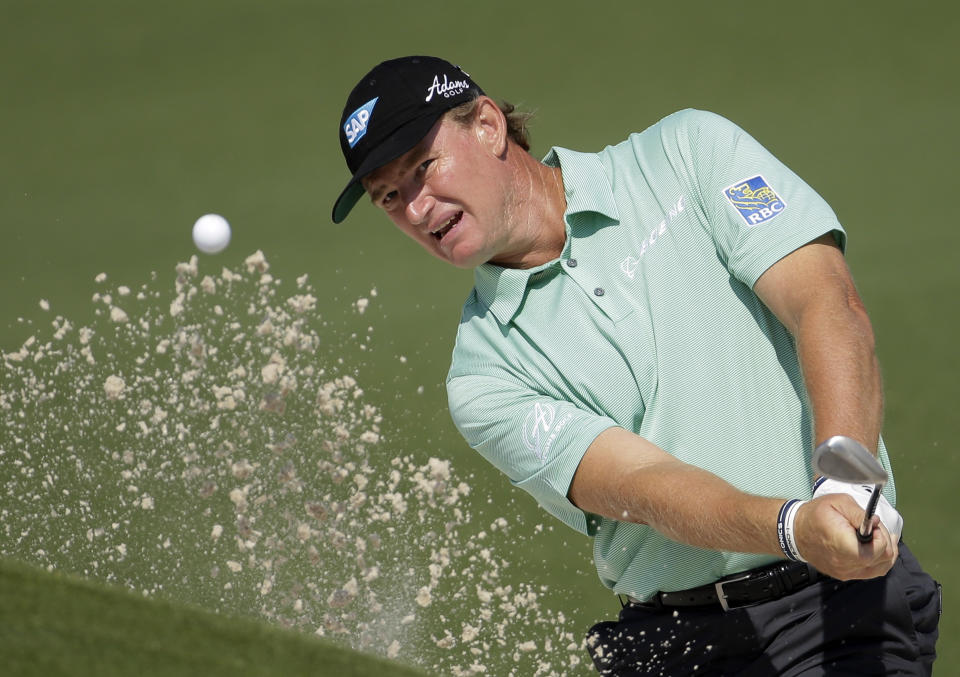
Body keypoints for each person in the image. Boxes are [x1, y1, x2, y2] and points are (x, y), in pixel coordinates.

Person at [331, 56, 941, 675]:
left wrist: (847, 486)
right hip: (675, 647)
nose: (414, 208)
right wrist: (793, 525)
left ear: (488, 126)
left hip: (839, 616)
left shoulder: (688, 154)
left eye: (421, 168)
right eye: (389, 196)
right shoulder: (483, 377)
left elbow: (825, 303)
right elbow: (642, 486)